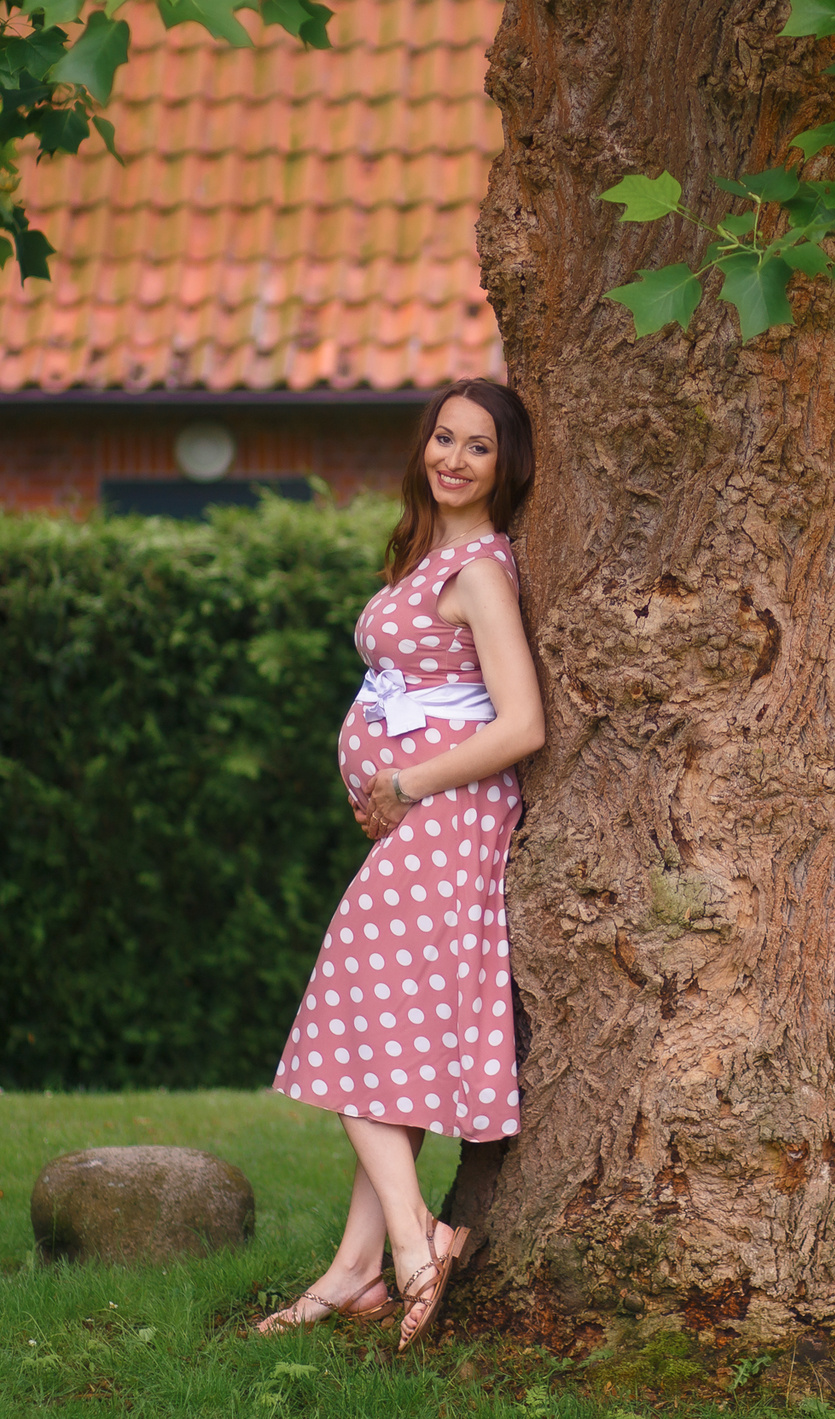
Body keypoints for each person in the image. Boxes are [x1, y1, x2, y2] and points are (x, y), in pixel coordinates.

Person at [259, 378, 543, 1352]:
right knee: (393, 1043)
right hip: (424, 823)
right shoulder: (430, 554)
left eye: (477, 448)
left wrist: (406, 784)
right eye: (442, 438)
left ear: (504, 469)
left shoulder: (479, 572)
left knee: (351, 1025)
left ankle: (419, 1246)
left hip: (450, 823)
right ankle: (352, 1274)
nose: (452, 460)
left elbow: (522, 724)